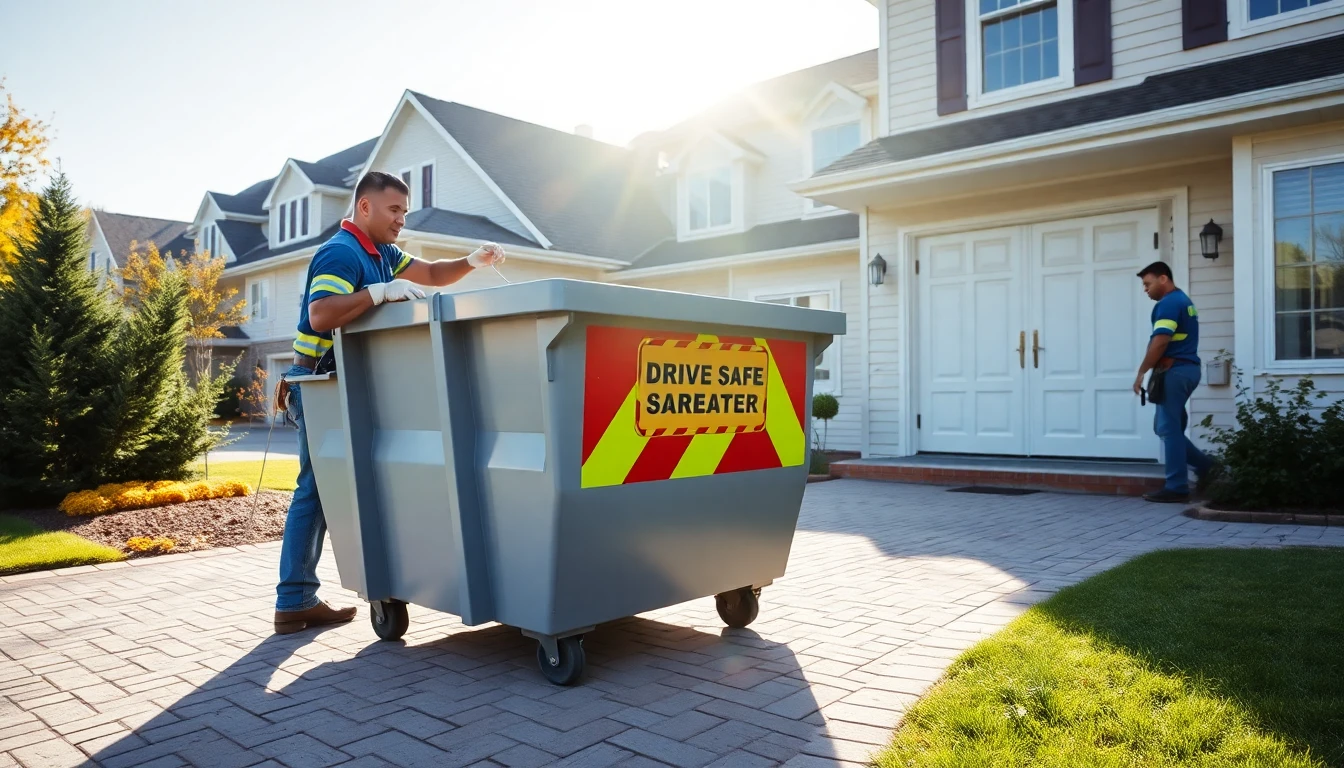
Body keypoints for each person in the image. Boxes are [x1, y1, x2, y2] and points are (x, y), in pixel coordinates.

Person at [271, 171, 504, 634]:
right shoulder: (342, 251)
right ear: (364, 208)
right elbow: (321, 315)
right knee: (316, 491)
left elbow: (435, 275)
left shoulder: (383, 253)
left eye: (405, 211)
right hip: (317, 382)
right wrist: (377, 292)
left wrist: (472, 261)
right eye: (394, 210)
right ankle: (294, 600)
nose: (401, 219)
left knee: (338, 486)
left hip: (347, 382)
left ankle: (304, 596)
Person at [1132, 261, 1211, 503]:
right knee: (1168, 428)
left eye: (1148, 283)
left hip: (1175, 371)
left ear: (1163, 278)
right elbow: (1159, 339)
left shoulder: (1168, 303)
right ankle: (1208, 466)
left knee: (1168, 428)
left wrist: (1142, 371)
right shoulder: (1183, 301)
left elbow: (1160, 342)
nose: (1145, 289)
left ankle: (1177, 486)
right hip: (1185, 370)